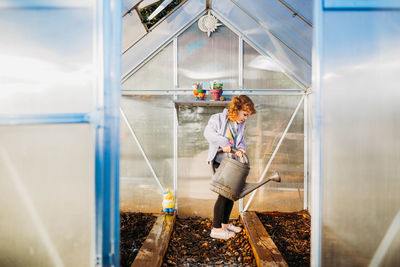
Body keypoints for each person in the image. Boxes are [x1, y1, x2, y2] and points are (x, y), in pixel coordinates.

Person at [204, 95, 256, 239]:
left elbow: (241, 140)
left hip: (231, 162)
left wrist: (240, 148)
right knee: (224, 194)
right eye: (245, 114)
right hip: (220, 162)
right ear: (237, 109)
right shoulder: (217, 119)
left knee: (230, 195)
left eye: (247, 116)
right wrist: (223, 143)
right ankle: (216, 229)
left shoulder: (239, 124)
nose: (245, 118)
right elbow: (208, 133)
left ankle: (224, 225)